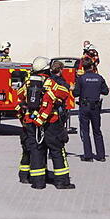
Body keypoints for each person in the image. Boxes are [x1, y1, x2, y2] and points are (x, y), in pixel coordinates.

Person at [29, 60, 76, 189]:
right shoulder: (51, 82)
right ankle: (61, 181)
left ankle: (38, 183)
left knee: (38, 151)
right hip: (51, 122)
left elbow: (20, 96)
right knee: (57, 150)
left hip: (35, 121)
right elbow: (64, 92)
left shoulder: (29, 82)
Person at [16, 57, 51, 185]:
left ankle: (23, 175)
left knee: (27, 148)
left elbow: (19, 96)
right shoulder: (48, 82)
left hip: (27, 119)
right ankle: (38, 179)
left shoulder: (28, 83)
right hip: (39, 121)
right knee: (38, 149)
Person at [75, 61, 108, 162]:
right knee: (97, 131)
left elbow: (75, 93)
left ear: (84, 68)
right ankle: (101, 155)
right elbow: (106, 91)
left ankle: (88, 156)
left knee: (85, 132)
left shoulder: (81, 79)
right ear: (92, 67)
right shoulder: (99, 77)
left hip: (84, 106)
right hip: (96, 107)